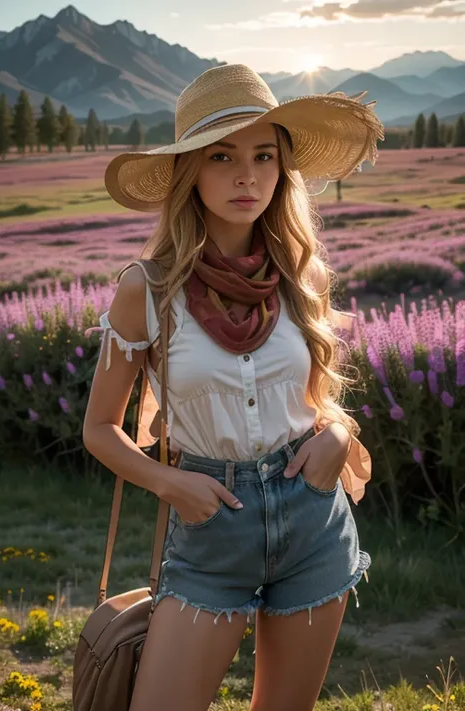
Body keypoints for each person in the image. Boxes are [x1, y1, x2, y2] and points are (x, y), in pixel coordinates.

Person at [82, 63, 383, 711]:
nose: (247, 175)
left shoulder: (300, 273)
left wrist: (338, 431)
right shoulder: (148, 288)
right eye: (222, 156)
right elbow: (99, 426)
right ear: (191, 167)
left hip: (313, 522)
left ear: (282, 169)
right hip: (211, 521)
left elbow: (317, 397)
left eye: (263, 155)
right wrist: (168, 481)